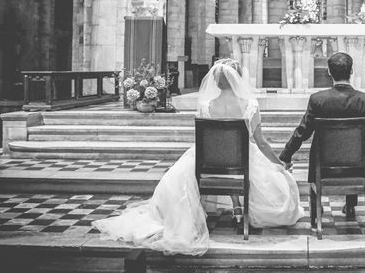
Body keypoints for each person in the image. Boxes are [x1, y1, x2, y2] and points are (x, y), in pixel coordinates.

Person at [93, 59, 303, 256]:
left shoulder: (205, 105)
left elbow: (209, 138)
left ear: (216, 82)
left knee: (175, 180)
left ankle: (213, 208)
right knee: (277, 180)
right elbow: (261, 143)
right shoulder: (250, 106)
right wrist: (280, 163)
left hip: (208, 158)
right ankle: (239, 208)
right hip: (242, 159)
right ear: (238, 80)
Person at [279, 52, 365, 221]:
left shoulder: (318, 100)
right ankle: (350, 205)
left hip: (323, 167)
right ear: (352, 71)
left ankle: (316, 207)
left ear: (329, 72)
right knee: (355, 149)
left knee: (324, 149)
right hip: (358, 168)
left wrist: (286, 155)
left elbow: (303, 131)